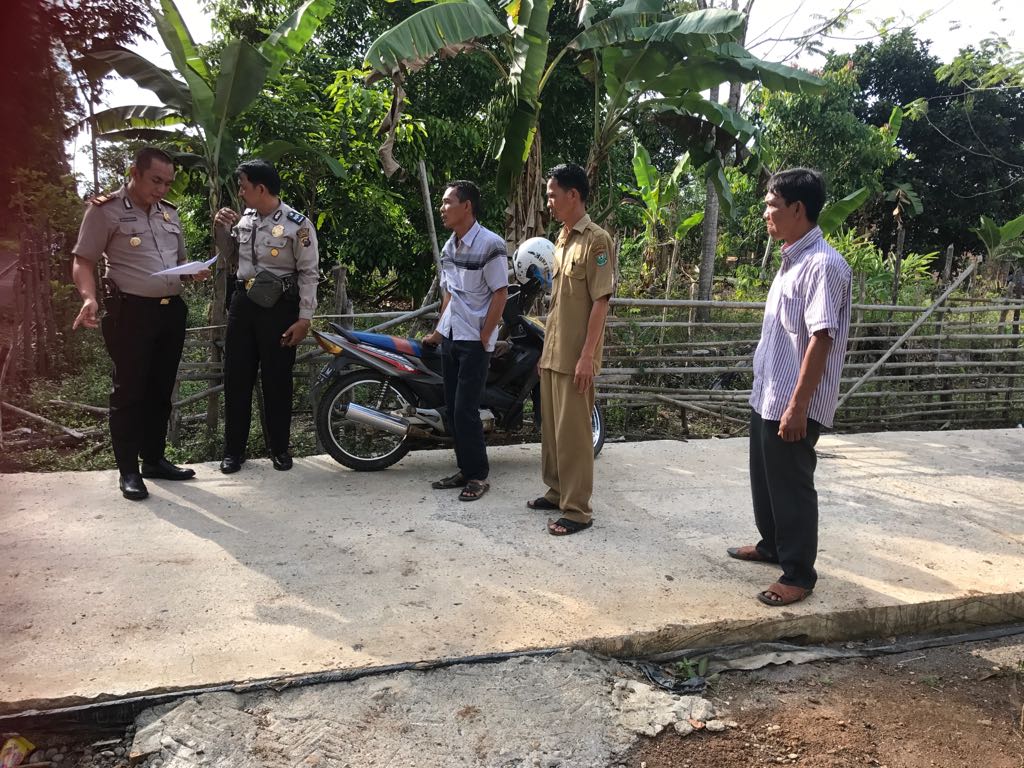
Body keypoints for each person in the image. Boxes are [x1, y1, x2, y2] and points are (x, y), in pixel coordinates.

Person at [727, 167, 852, 607]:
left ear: (798, 209)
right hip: (769, 392)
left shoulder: (823, 265)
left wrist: (798, 406)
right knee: (766, 480)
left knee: (792, 485)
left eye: (772, 205)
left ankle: (798, 573)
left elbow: (822, 337)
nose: (766, 213)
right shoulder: (791, 260)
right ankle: (772, 546)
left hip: (793, 401)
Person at [71, 146, 209, 501]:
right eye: (155, 180)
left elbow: (178, 262)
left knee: (161, 391)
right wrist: (88, 297)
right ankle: (128, 470)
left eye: (168, 183)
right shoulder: (105, 210)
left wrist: (192, 272)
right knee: (129, 392)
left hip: (170, 311)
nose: (162, 189)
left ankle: (154, 460)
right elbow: (83, 260)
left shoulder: (169, 214)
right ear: (134, 172)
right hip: (130, 313)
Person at [213, 159, 319, 474]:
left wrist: (304, 318)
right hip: (243, 304)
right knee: (236, 379)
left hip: (279, 308)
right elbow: (229, 256)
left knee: (277, 379)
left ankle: (280, 449)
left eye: (243, 186)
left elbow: (309, 273)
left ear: (261, 188)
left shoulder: (297, 224)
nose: (240, 193)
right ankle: (233, 452)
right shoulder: (244, 220)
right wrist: (220, 229)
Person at [528, 163, 616, 536]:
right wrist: (545, 351)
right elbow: (558, 305)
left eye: (552, 195)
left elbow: (601, 302)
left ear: (573, 195)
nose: (548, 201)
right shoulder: (562, 239)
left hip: (576, 356)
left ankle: (577, 510)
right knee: (552, 431)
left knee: (575, 435)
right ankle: (557, 491)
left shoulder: (597, 240)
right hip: (554, 353)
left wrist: (586, 356)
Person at [423, 180, 508, 501]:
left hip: (474, 341)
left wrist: (485, 335)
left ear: (467, 206)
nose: (442, 208)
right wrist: (438, 333)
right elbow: (450, 296)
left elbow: (500, 293)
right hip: (452, 337)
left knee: (466, 411)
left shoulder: (491, 244)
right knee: (453, 410)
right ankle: (465, 469)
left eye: (448, 202)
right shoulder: (450, 247)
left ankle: (478, 476)